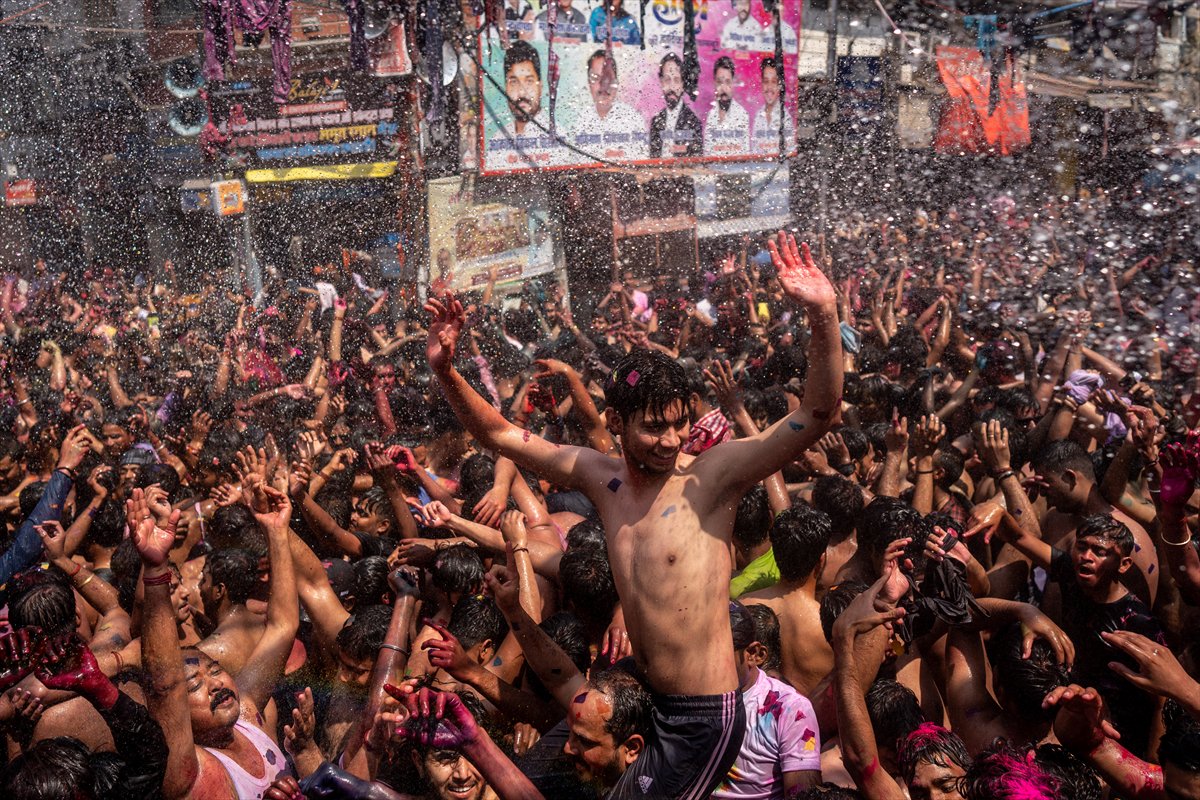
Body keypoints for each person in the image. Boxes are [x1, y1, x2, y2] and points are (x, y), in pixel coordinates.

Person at [424, 230, 843, 798]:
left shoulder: (712, 476)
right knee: (538, 784)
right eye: (652, 427)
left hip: (703, 719)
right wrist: (446, 371)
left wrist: (824, 314)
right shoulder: (601, 476)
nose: (670, 441)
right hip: (634, 699)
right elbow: (499, 432)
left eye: (678, 424)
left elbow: (817, 414)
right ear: (616, 422)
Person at [488, 41, 558, 169]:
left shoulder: (558, 138)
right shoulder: (496, 139)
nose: (521, 92)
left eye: (529, 81)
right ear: (505, 87)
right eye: (514, 82)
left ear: (540, 87)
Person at [570, 50, 648, 161]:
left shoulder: (633, 119)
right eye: (596, 78)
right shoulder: (580, 122)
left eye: (608, 78)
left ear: (616, 82)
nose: (603, 86)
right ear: (589, 83)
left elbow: (641, 167)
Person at [648, 53, 704, 159]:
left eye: (677, 80)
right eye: (667, 80)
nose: (672, 87)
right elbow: (653, 159)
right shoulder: (656, 121)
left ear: (683, 85)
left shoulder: (693, 122)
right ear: (661, 82)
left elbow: (696, 164)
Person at [706, 56, 751, 156]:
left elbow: (746, 154)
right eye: (719, 82)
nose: (723, 88)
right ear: (714, 83)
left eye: (727, 82)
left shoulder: (742, 115)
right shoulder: (710, 115)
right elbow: (707, 154)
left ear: (733, 83)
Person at [751, 57, 795, 156]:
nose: (769, 87)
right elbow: (753, 152)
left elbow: (789, 153)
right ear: (762, 84)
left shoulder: (785, 117)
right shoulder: (757, 116)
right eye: (766, 81)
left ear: (780, 86)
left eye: (774, 82)